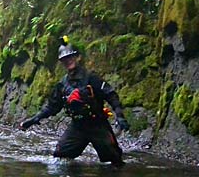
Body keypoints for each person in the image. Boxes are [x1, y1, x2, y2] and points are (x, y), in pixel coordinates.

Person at [19, 36, 129, 166]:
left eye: (70, 57)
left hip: (98, 125)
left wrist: (120, 117)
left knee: (115, 160)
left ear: (77, 57)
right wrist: (34, 119)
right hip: (77, 126)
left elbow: (111, 96)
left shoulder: (92, 78)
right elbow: (52, 107)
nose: (68, 61)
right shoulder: (62, 84)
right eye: (64, 59)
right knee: (59, 156)